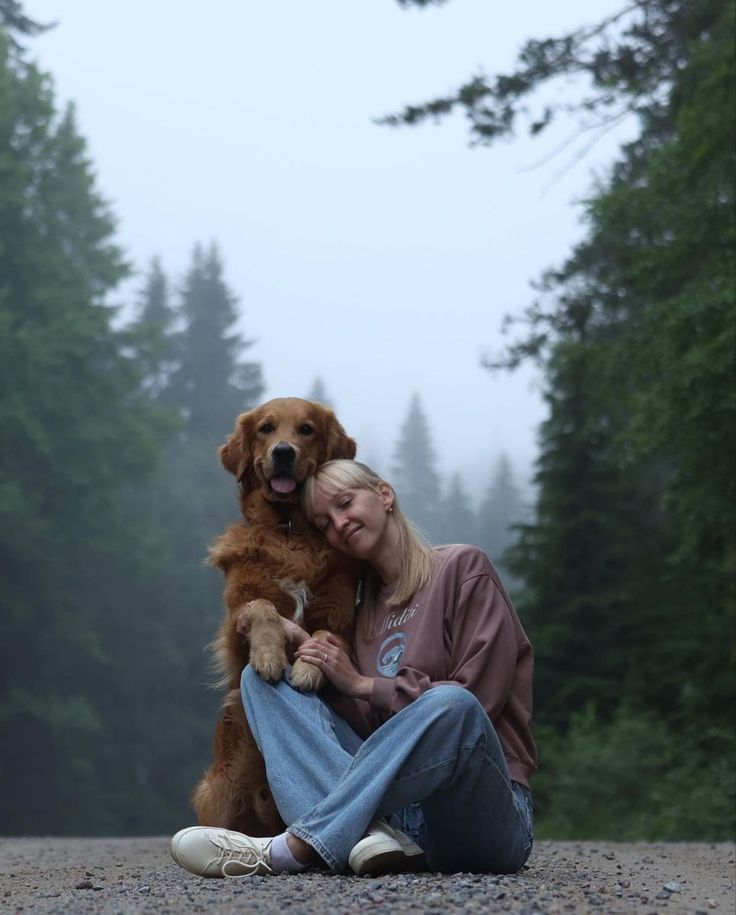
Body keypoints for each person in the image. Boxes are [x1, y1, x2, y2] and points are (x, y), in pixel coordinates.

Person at [171, 459, 537, 878]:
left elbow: (478, 705)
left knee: (454, 704)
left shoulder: (462, 569)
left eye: (346, 504)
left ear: (384, 495)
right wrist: (316, 658)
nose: (339, 524)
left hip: (479, 818)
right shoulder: (360, 613)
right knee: (262, 682)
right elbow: (353, 734)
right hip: (394, 820)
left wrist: (363, 684)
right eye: (325, 522)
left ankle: (291, 849)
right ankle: (372, 835)